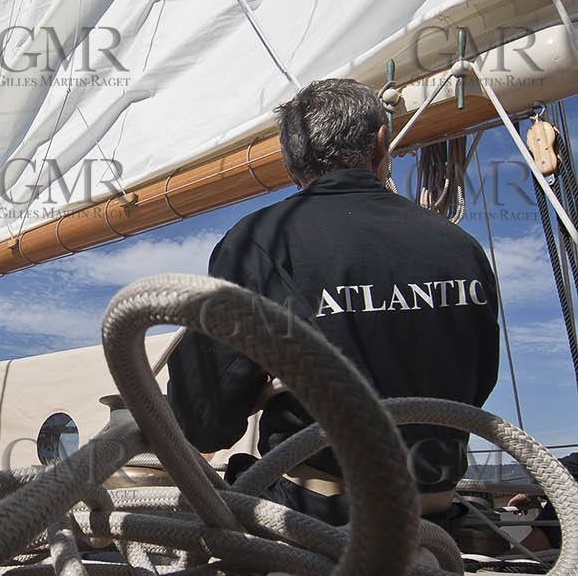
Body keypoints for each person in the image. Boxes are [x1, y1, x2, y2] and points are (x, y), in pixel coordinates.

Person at [167, 78, 500, 531]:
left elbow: (205, 419)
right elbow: (476, 382)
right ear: (381, 144)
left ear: (290, 161)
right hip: (439, 519)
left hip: (320, 519)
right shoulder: (462, 248)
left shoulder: (261, 242)